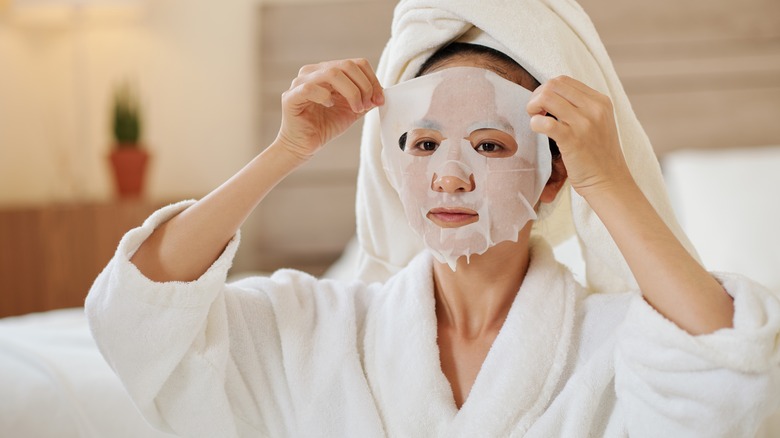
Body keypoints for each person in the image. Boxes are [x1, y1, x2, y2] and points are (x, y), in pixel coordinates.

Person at [86, 1, 780, 437]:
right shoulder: (316, 329)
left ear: (551, 175)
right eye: (422, 144)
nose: (449, 175)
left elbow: (729, 375)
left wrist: (605, 176)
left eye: (489, 144)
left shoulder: (617, 346)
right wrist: (286, 149)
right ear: (393, 166)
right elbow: (138, 314)